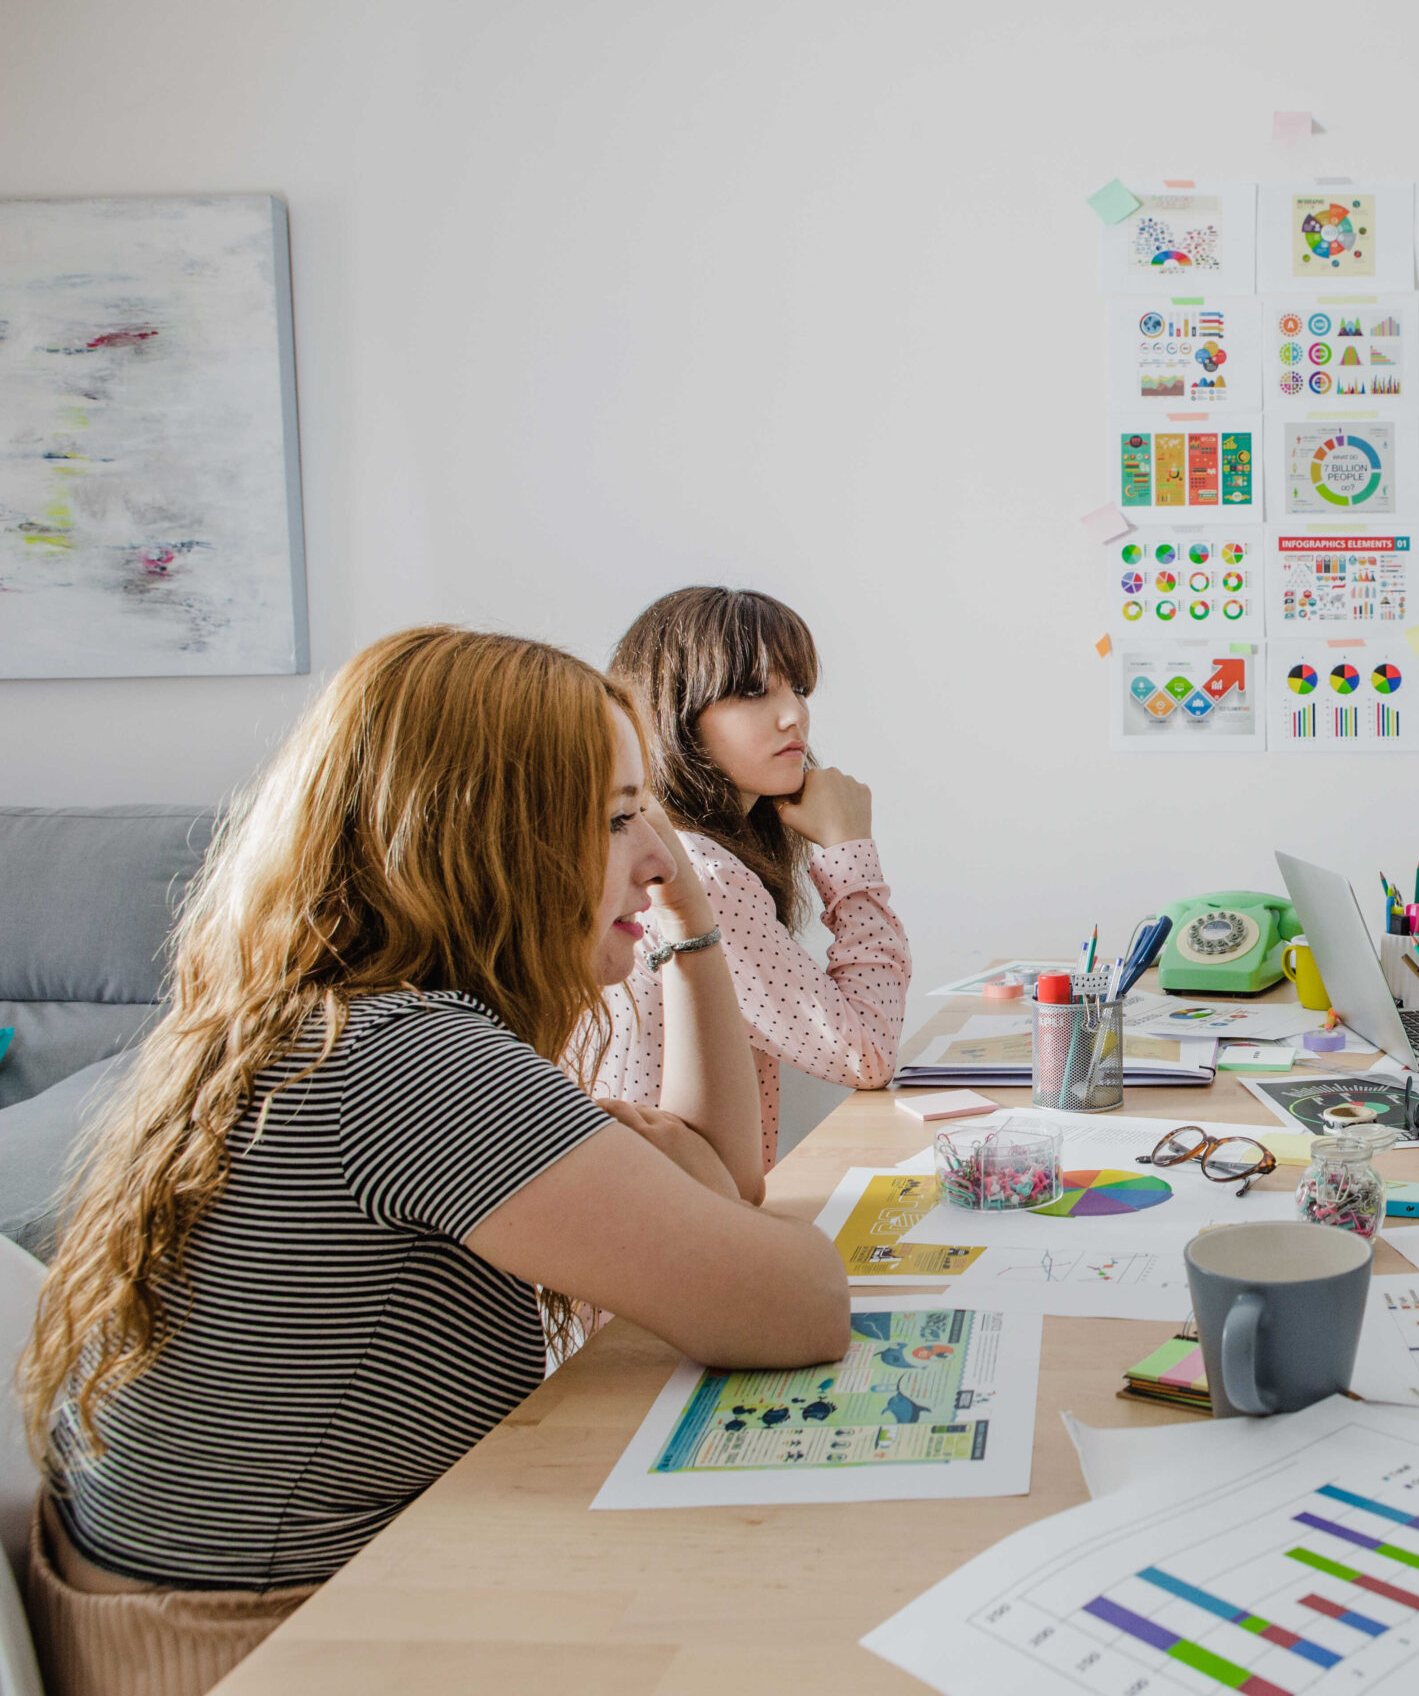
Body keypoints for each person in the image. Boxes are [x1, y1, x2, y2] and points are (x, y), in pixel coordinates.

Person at [18, 627, 847, 1693]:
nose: (654, 858)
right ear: (485, 842)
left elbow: (722, 1181)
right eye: (612, 821)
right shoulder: (407, 1062)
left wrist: (689, 923)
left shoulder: (327, 1019)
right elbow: (800, 1302)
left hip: (204, 1619)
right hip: (251, 1654)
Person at [596, 588, 910, 1169]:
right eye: (752, 691)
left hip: (673, 1195)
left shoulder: (685, 850)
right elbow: (865, 1054)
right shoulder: (698, 873)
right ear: (677, 711)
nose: (794, 715)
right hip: (672, 1212)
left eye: (799, 688)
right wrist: (849, 851)